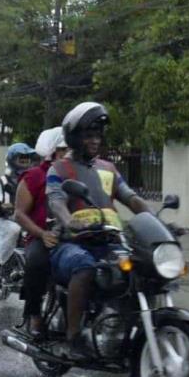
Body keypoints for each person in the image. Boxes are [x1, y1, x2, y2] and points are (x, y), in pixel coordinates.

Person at [47, 102, 151, 358]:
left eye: (97, 135)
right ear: (74, 136)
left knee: (143, 269)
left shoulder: (109, 168)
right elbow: (56, 201)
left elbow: (131, 198)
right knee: (84, 266)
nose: (95, 140)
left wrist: (155, 221)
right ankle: (73, 337)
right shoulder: (59, 168)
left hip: (110, 240)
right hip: (71, 243)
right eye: (88, 135)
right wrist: (69, 220)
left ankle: (123, 329)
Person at [14, 128, 67, 337]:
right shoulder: (34, 176)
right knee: (37, 262)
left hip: (73, 236)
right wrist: (42, 234)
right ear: (52, 152)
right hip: (42, 237)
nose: (69, 153)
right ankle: (34, 315)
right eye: (64, 150)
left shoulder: (78, 173)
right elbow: (19, 214)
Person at [0, 143, 38, 267]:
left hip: (27, 219)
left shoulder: (34, 181)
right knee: (14, 230)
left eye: (27, 159)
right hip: (5, 220)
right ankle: (1, 261)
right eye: (21, 159)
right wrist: (0, 205)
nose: (25, 162)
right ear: (12, 160)